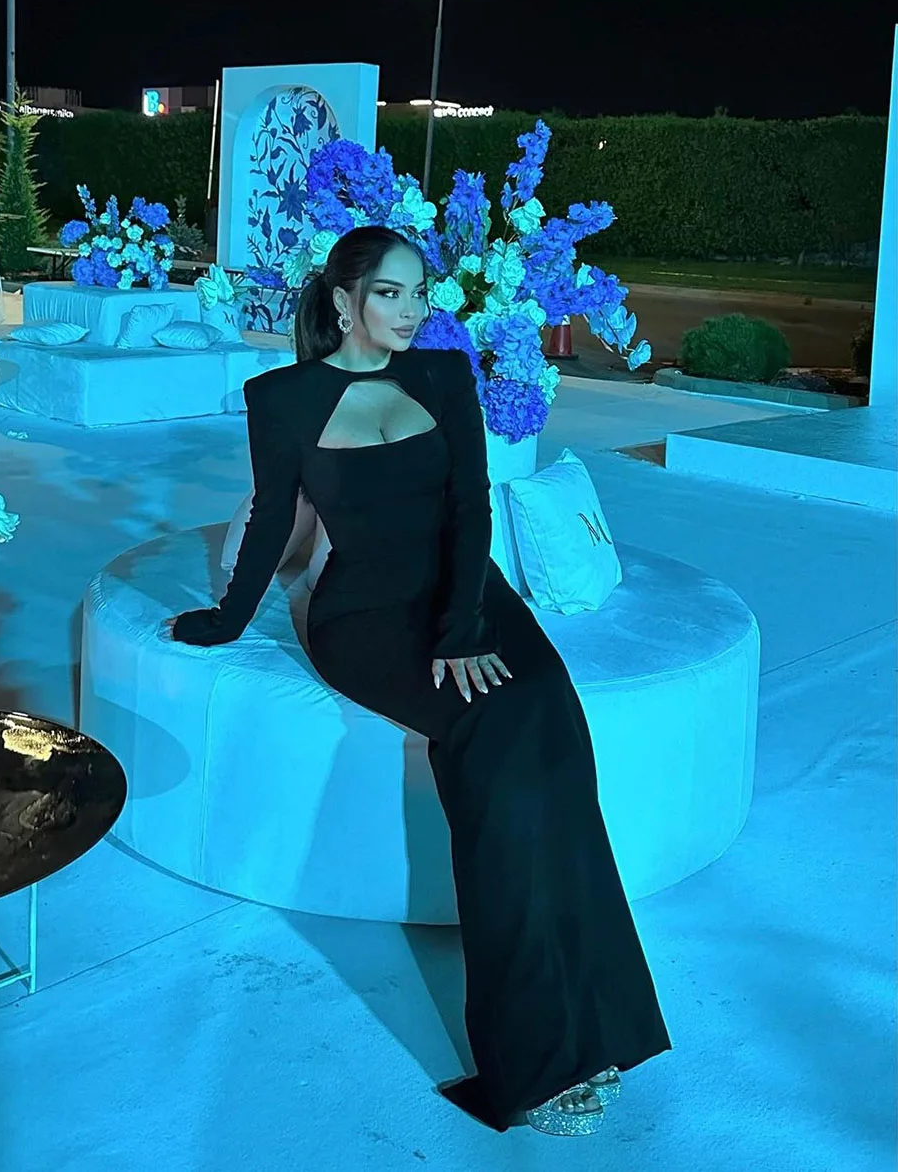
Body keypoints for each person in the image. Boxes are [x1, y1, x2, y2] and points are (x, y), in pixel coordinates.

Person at [169, 226, 671, 1136]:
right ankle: (533, 1056)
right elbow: (276, 516)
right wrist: (227, 619)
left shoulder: (443, 374)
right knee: (493, 739)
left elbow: (472, 506)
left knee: (550, 717)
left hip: (469, 599)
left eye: (419, 293)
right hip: (364, 617)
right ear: (343, 300)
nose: (412, 311)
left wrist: (462, 625)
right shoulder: (280, 397)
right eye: (391, 293)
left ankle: (603, 1017)